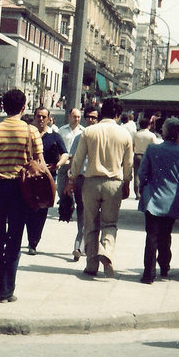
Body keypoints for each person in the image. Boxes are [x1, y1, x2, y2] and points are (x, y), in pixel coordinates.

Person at [0, 89, 43, 302]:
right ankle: (7, 290)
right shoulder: (31, 131)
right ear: (24, 107)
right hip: (21, 189)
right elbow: (40, 164)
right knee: (15, 237)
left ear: (2, 107)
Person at [69, 97, 133, 278]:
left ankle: (91, 264)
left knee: (90, 223)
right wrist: (127, 182)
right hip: (113, 183)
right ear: (118, 114)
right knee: (110, 223)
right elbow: (128, 165)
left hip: (90, 183)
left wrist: (72, 177)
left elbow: (78, 159)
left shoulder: (89, 132)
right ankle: (106, 252)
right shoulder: (124, 134)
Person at [138, 117, 179, 284]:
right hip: (171, 200)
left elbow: (142, 172)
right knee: (166, 235)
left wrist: (143, 188)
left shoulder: (152, 149)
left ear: (164, 132)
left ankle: (148, 274)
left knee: (151, 237)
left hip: (152, 199)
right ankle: (164, 267)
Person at [25, 107, 68, 255]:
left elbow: (65, 153)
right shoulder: (27, 134)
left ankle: (34, 241)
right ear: (34, 117)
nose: (41, 119)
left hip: (47, 178)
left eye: (44, 117)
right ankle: (31, 238)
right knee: (29, 208)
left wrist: (58, 164)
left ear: (49, 119)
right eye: (38, 116)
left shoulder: (54, 136)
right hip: (29, 178)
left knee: (42, 210)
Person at [64, 105, 99, 260]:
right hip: (81, 179)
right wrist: (69, 182)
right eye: (89, 117)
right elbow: (73, 160)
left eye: (94, 117)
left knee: (89, 215)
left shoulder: (101, 136)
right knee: (82, 213)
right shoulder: (80, 137)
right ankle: (81, 245)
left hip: (96, 180)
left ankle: (80, 245)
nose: (91, 120)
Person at [57, 108, 83, 201]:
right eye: (74, 117)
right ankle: (63, 203)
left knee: (77, 191)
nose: (76, 119)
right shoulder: (62, 130)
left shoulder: (83, 132)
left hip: (77, 165)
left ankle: (71, 206)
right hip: (65, 164)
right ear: (69, 117)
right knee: (61, 189)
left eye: (78, 117)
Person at [133, 117, 157, 199]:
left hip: (137, 155)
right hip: (147, 156)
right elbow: (154, 147)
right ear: (149, 125)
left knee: (136, 175)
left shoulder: (136, 134)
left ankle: (137, 194)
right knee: (148, 175)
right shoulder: (151, 135)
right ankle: (145, 193)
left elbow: (133, 145)